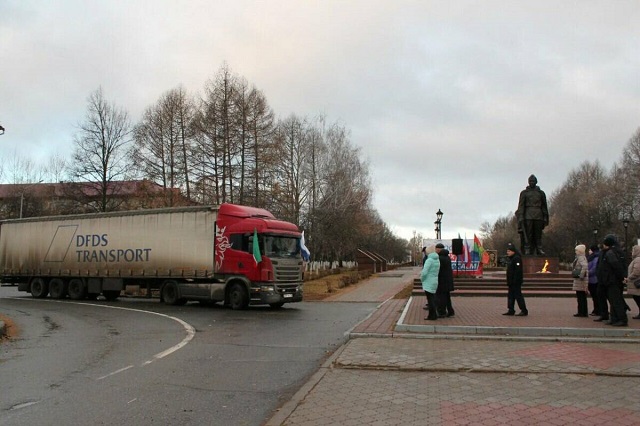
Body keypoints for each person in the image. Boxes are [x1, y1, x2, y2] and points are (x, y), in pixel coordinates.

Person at [596, 234, 627, 326]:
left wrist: (621, 277)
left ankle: (621, 319)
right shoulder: (614, 251)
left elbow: (616, 266)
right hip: (611, 280)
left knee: (616, 301)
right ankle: (614, 318)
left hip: (612, 280)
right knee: (614, 301)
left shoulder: (610, 253)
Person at [516, 174, 549, 255]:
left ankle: (539, 248)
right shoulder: (524, 193)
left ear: (536, 182)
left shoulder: (541, 193)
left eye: (533, 181)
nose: (532, 182)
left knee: (538, 234)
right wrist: (521, 216)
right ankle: (527, 248)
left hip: (538, 215)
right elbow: (521, 206)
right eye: (530, 181)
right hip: (528, 215)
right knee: (528, 234)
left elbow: (544, 206)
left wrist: (545, 217)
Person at [503, 242, 528, 316]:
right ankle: (511, 309)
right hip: (511, 282)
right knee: (511, 296)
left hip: (516, 282)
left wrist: (515, 281)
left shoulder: (516, 258)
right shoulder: (511, 259)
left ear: (513, 251)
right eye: (507, 251)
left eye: (509, 251)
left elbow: (518, 271)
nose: (508, 252)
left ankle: (524, 310)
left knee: (518, 296)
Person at [421, 245, 440, 321]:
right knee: (432, 298)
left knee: (430, 300)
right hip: (434, 280)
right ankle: (433, 314)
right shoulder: (437, 259)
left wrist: (422, 279)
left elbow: (424, 272)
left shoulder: (429, 260)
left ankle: (432, 316)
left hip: (428, 281)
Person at [435, 243, 455, 317]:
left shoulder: (440, 258)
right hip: (447, 281)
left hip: (442, 281)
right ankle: (450, 311)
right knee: (447, 297)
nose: (436, 251)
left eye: (436, 249)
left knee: (441, 298)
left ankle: (442, 312)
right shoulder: (447, 257)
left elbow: (439, 270)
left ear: (439, 249)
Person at [571, 244, 589, 317]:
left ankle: (582, 312)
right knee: (581, 297)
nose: (575, 251)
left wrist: (581, 275)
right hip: (581, 281)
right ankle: (582, 311)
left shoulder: (580, 257)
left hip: (580, 281)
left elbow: (584, 266)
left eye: (576, 250)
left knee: (581, 297)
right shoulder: (581, 257)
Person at [623, 245, 640, 320]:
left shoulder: (638, 259)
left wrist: (628, 278)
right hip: (635, 283)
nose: (631, 252)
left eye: (633, 250)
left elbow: (637, 271)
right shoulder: (636, 259)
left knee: (638, 298)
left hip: (636, 283)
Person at [587, 245, 602, 316]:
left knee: (596, 296)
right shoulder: (592, 257)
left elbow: (594, 268)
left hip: (594, 280)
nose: (589, 251)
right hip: (592, 279)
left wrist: (587, 273)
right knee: (594, 296)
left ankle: (598, 310)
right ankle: (596, 309)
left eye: (590, 250)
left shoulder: (595, 257)